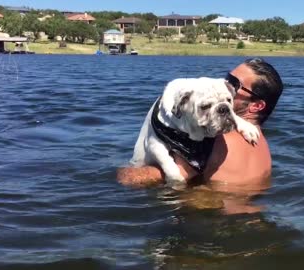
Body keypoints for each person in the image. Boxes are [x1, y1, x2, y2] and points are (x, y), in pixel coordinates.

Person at [117, 58, 283, 190]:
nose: (226, 84)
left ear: (257, 105)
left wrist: (122, 173)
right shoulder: (261, 144)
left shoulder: (215, 140)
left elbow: (136, 180)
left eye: (235, 83)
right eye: (228, 77)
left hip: (208, 218)